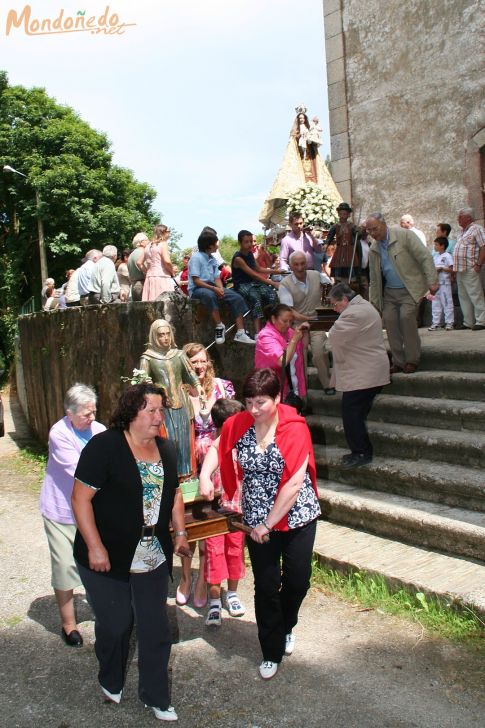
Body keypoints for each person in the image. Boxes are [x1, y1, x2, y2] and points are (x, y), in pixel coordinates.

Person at [71, 383, 191, 721]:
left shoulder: (166, 449)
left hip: (152, 551)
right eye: (151, 410)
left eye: (160, 410)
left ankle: (156, 696)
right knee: (116, 623)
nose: (158, 417)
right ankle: (110, 677)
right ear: (131, 412)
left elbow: (176, 493)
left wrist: (179, 533)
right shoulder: (104, 447)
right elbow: (80, 499)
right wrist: (94, 547)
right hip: (106, 551)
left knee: (156, 628)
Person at [202, 368, 320, 680]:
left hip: (295, 515)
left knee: (297, 580)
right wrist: (205, 474)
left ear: (278, 398)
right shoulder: (240, 423)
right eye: (249, 401)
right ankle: (271, 649)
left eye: (262, 402)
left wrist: (267, 525)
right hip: (256, 516)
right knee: (266, 586)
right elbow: (218, 446)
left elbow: (294, 484)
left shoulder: (295, 428)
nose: (254, 409)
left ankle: (287, 624)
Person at [39, 384, 106, 646]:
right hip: (61, 510)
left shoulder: (99, 430)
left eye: (93, 412)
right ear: (69, 413)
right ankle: (68, 624)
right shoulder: (59, 433)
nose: (91, 418)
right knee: (65, 564)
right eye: (85, 414)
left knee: (97, 561)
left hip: (91, 510)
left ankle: (104, 612)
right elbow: (80, 471)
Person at [175, 342, 236, 608]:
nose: (199, 367)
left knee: (209, 520)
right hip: (187, 463)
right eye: (193, 363)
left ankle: (204, 580)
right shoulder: (176, 391)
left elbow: (233, 425)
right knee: (187, 521)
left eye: (202, 362)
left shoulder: (223, 387)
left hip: (214, 464)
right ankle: (186, 577)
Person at [367, 212, 438, 373]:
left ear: (384, 224)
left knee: (406, 319)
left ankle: (412, 359)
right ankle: (398, 361)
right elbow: (373, 278)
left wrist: (432, 280)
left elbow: (425, 257)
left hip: (409, 288)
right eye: (369, 230)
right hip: (389, 292)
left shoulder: (405, 236)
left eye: (375, 229)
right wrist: (375, 302)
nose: (372, 233)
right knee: (390, 322)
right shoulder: (373, 249)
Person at [327, 283, 390, 468]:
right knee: (355, 413)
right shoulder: (364, 306)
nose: (335, 309)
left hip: (365, 372)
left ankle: (361, 452)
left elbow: (334, 335)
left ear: (345, 300)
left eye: (335, 305)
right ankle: (359, 450)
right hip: (366, 369)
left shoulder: (354, 313)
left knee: (351, 413)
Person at [198, 398, 246, 628]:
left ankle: (233, 594)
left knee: (235, 553)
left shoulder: (245, 445)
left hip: (238, 511)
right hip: (215, 513)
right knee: (214, 556)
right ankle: (214, 601)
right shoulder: (207, 446)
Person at [139, 320, 203, 479]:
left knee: (185, 441)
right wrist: (147, 386)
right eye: (161, 335)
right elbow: (142, 381)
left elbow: (189, 374)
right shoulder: (148, 358)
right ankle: (171, 478)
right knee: (167, 441)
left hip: (181, 403)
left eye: (168, 334)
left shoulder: (179, 354)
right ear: (154, 336)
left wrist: (197, 385)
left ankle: (188, 476)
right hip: (162, 406)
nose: (165, 338)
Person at [278, 251, 334, 395]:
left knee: (319, 352)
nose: (300, 267)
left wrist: (329, 304)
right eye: (296, 264)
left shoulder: (316, 275)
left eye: (302, 263)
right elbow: (289, 311)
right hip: (298, 325)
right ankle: (302, 394)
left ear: (306, 263)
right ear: (290, 265)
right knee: (300, 358)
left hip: (316, 323)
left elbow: (332, 289)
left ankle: (327, 385)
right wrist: (309, 320)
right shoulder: (285, 284)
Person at [188, 226, 255, 345]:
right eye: (215, 243)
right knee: (209, 295)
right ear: (209, 246)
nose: (217, 245)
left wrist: (220, 288)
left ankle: (240, 332)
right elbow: (196, 281)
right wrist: (214, 288)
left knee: (236, 297)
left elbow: (216, 277)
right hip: (198, 289)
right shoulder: (196, 258)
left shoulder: (212, 259)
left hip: (212, 286)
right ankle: (219, 326)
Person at [255, 303, 308, 402]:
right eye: (284, 321)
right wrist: (294, 340)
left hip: (292, 389)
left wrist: (303, 332)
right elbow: (282, 361)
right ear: (273, 319)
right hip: (272, 391)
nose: (288, 325)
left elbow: (299, 355)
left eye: (291, 321)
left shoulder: (289, 332)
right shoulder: (265, 336)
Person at [231, 229, 280, 334]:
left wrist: (275, 271)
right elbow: (254, 274)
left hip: (253, 284)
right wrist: (273, 283)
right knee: (256, 298)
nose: (250, 244)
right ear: (240, 243)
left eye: (250, 241)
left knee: (272, 294)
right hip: (241, 285)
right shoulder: (238, 258)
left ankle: (270, 325)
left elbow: (258, 269)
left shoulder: (249, 254)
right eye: (246, 242)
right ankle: (258, 333)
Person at [453, 207, 485, 331]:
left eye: (460, 216)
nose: (458, 219)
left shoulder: (477, 229)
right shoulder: (462, 232)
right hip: (460, 269)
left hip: (471, 268)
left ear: (468, 217)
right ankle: (468, 322)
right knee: (463, 296)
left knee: (475, 294)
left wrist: (478, 264)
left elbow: (483, 246)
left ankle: (482, 320)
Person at [326, 202, 363, 288]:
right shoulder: (335, 226)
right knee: (338, 267)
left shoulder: (352, 226)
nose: (343, 216)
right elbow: (330, 236)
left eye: (345, 214)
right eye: (341, 214)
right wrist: (326, 244)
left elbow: (359, 235)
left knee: (350, 266)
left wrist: (359, 231)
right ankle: (338, 282)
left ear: (348, 215)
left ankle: (351, 283)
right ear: (338, 214)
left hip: (349, 250)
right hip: (339, 250)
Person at [139, 224, 175, 301]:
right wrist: (172, 272)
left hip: (149, 278)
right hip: (162, 278)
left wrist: (148, 272)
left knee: (150, 306)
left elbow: (139, 262)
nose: (169, 233)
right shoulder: (163, 244)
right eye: (168, 231)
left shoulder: (148, 245)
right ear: (163, 232)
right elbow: (167, 261)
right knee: (165, 306)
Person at [428, 237, 454, 331]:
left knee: (447, 302)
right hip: (436, 284)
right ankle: (435, 323)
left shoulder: (447, 256)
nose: (434, 246)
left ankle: (449, 323)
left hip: (445, 283)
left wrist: (442, 268)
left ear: (442, 246)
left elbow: (452, 269)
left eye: (436, 245)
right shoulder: (435, 256)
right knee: (435, 303)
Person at [128, 232, 149, 301]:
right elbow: (146, 269)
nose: (149, 241)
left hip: (134, 285)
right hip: (142, 285)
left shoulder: (131, 254)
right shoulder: (142, 253)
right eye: (147, 240)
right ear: (141, 242)